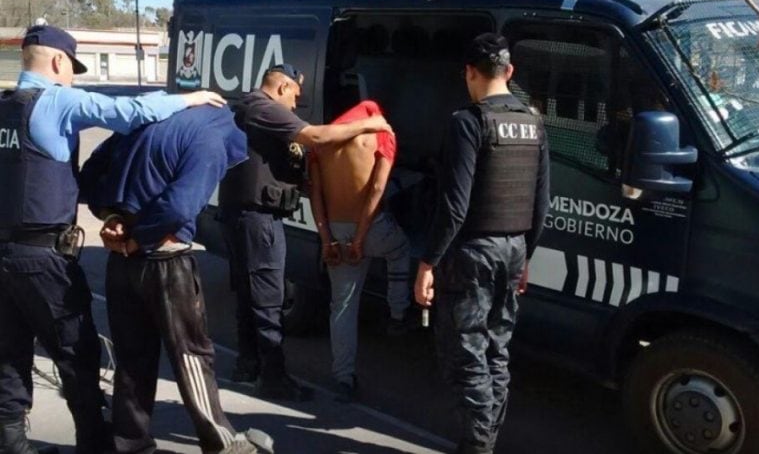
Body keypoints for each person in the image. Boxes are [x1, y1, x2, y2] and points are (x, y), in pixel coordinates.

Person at [0, 24, 225, 454]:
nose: (71, 79)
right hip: (42, 256)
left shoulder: (4, 107)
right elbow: (131, 113)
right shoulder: (57, 101)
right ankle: (95, 443)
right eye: (71, 70)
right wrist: (188, 98)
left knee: (9, 352)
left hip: (3, 253)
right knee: (76, 352)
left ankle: (11, 443)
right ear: (59, 61)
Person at [80, 105, 273, 454]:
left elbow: (92, 173)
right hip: (167, 265)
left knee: (132, 359)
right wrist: (140, 237)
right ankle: (222, 443)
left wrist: (111, 216)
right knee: (192, 357)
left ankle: (129, 443)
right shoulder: (215, 139)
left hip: (121, 265)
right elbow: (180, 206)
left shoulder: (148, 119)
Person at [218, 64, 393, 399]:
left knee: (248, 295)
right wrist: (370, 123)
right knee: (269, 300)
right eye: (295, 96)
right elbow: (315, 136)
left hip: (244, 215)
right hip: (259, 219)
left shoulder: (250, 107)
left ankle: (248, 365)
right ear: (282, 87)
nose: (296, 105)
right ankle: (273, 378)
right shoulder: (263, 107)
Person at [413, 33, 550, 454]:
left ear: (470, 73)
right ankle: (485, 441)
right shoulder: (533, 122)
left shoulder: (468, 122)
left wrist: (426, 264)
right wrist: (527, 255)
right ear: (509, 72)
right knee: (497, 350)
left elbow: (454, 207)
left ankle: (477, 447)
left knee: (468, 355)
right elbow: (542, 203)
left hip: (473, 254)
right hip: (512, 251)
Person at [307, 100, 411, 402]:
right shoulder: (380, 136)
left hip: (335, 230)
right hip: (370, 227)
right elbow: (377, 189)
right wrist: (361, 239)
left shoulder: (324, 140)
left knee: (342, 306)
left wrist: (327, 240)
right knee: (401, 249)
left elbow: (315, 193)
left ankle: (343, 377)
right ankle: (397, 312)